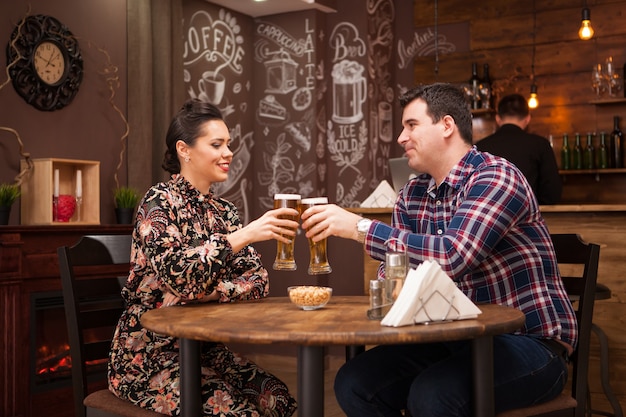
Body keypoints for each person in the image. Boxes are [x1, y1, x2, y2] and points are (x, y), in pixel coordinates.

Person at [300, 83, 576, 416]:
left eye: (411, 125)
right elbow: (394, 272)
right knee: (354, 382)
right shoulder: (411, 194)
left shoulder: (496, 176)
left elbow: (453, 256)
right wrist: (394, 279)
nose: (401, 137)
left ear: (446, 125)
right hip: (451, 340)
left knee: (433, 393)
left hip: (529, 342)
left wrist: (361, 228)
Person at [107, 99, 298, 417]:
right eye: (217, 144)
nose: (228, 153)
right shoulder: (159, 203)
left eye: (228, 144)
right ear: (185, 149)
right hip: (150, 357)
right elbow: (181, 278)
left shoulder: (225, 211)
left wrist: (209, 293)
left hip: (209, 352)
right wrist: (244, 236)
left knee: (279, 400)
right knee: (239, 414)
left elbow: (257, 281)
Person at [476, 93, 562, 204]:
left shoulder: (480, 147)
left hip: (488, 217)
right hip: (528, 216)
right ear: (527, 119)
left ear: (497, 119)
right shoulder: (540, 145)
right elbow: (552, 193)